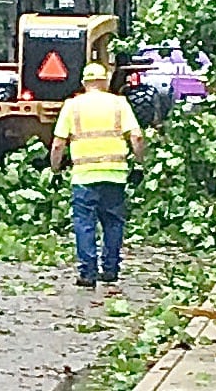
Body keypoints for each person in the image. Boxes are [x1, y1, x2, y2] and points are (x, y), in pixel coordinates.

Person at [50, 61, 145, 290]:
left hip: (84, 176)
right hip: (115, 175)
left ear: (84, 83)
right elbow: (137, 138)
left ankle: (87, 273)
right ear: (104, 81)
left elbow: (58, 144)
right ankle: (110, 270)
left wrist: (55, 169)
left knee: (84, 224)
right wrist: (140, 164)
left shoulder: (72, 106)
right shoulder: (118, 104)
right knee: (113, 222)